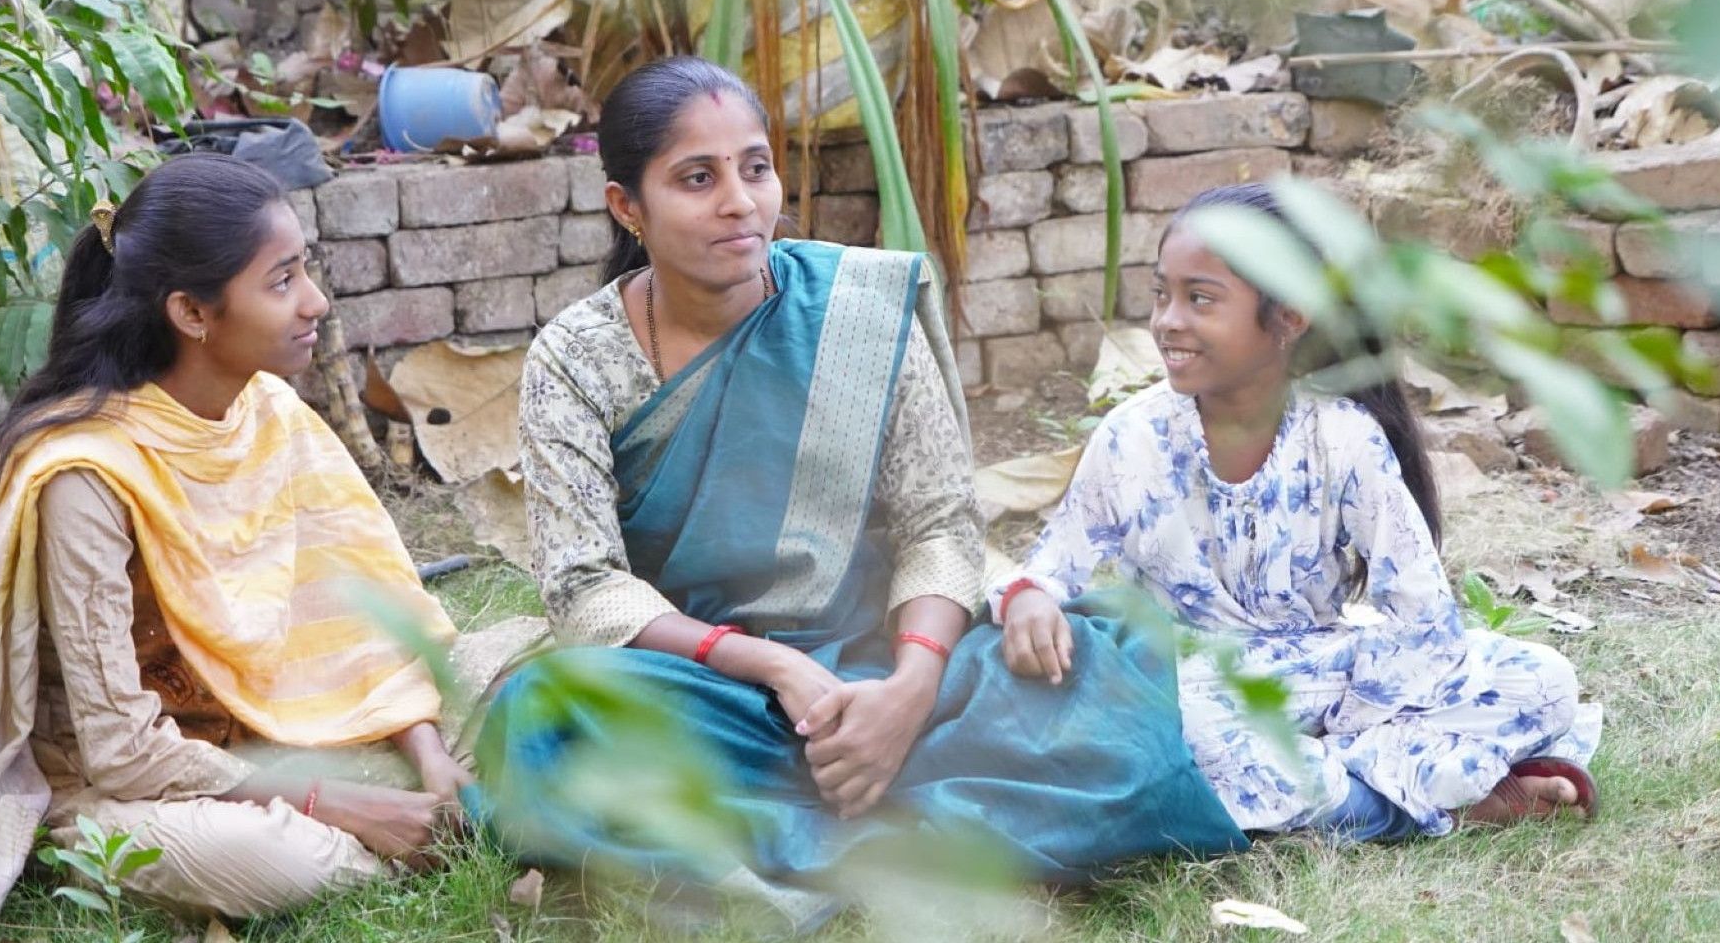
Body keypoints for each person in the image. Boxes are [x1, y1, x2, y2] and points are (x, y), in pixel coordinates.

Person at [470, 57, 1244, 929]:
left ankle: (729, 852)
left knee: (1104, 697)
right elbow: (584, 586)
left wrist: (908, 693)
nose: (740, 201)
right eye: (698, 178)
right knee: (543, 713)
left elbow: (939, 524)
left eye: (755, 167)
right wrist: (769, 664)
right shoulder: (577, 359)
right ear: (627, 207)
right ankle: (902, 844)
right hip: (702, 685)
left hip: (879, 661)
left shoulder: (857, 307)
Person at [0, 155, 469, 929]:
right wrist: (331, 802)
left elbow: (365, 632)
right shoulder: (86, 474)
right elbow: (121, 752)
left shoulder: (269, 411)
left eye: (304, 271)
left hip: (260, 732)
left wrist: (432, 760)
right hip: (112, 785)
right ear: (193, 314)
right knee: (289, 859)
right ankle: (46, 840)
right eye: (281, 282)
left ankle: (405, 803)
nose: (316, 302)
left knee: (501, 677)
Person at [995, 183, 1603, 843]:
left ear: (1288, 318)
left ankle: (1333, 790)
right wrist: (1031, 601)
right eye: (1161, 293)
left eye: (1199, 299)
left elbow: (1423, 617)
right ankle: (1419, 803)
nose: (1168, 320)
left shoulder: (1344, 438)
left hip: (1333, 680)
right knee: (1173, 736)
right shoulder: (1129, 437)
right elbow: (1053, 567)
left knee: (1545, 683)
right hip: (1197, 693)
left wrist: (1360, 713)